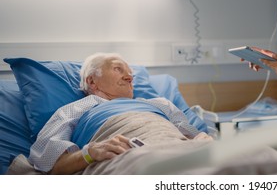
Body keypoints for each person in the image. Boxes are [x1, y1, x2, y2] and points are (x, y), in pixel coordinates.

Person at [28, 52, 212, 174]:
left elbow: (193, 135)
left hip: (179, 150)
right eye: (118, 69)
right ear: (92, 81)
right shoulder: (76, 108)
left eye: (131, 73)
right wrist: (89, 153)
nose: (129, 77)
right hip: (127, 156)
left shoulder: (160, 103)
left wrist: (204, 141)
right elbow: (49, 165)